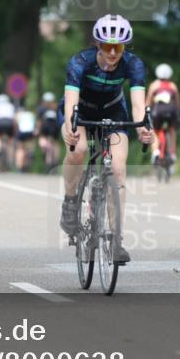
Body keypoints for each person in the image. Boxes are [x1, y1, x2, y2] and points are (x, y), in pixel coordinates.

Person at [59, 14, 153, 264]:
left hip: (113, 111)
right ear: (98, 45)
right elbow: (71, 103)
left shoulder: (133, 64)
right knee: (78, 149)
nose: (113, 53)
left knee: (119, 170)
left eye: (118, 47)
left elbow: (137, 104)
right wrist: (70, 127)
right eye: (108, 47)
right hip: (82, 111)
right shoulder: (80, 62)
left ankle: (116, 240)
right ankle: (69, 202)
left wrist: (143, 128)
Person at [146, 63, 180, 170]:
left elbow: (148, 102)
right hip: (171, 112)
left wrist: (146, 112)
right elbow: (177, 104)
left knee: (154, 131)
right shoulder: (173, 86)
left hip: (157, 112)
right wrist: (178, 115)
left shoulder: (154, 85)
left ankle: (156, 152)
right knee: (172, 130)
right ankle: (172, 154)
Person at [36, 92, 60, 171]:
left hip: (45, 128)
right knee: (56, 143)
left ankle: (46, 149)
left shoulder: (41, 108)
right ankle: (56, 160)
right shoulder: (56, 108)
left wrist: (37, 130)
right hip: (55, 128)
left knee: (42, 138)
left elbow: (39, 121)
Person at [14, 105, 37, 172]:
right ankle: (30, 152)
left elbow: (16, 125)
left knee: (20, 149)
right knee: (29, 146)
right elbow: (34, 125)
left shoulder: (18, 115)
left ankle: (19, 168)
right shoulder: (31, 114)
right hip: (30, 132)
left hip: (22, 132)